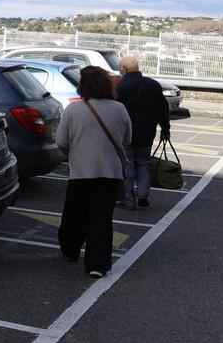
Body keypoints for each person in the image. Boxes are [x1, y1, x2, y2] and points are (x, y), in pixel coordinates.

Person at [55, 66, 132, 278]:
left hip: (80, 172)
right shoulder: (119, 109)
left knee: (74, 214)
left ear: (82, 85)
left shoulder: (73, 110)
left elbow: (61, 141)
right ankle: (97, 264)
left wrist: (74, 152)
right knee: (102, 219)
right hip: (110, 173)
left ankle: (70, 250)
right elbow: (127, 140)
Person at [114, 55, 170, 210]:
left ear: (124, 69)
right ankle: (143, 194)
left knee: (127, 164)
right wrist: (165, 130)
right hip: (147, 133)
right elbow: (163, 110)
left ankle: (128, 199)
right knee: (143, 163)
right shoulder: (153, 85)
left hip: (126, 134)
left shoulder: (120, 87)